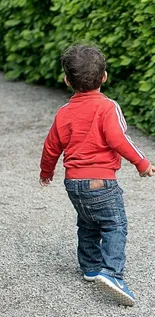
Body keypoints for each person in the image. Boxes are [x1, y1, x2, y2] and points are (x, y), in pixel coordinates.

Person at [39, 45, 155, 307]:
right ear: (104, 77)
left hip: (73, 183)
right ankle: (112, 273)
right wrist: (142, 163)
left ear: (68, 80)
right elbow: (119, 139)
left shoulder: (63, 113)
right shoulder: (107, 107)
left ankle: (90, 267)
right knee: (115, 224)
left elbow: (50, 147)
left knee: (88, 222)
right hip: (101, 182)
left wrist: (46, 172)